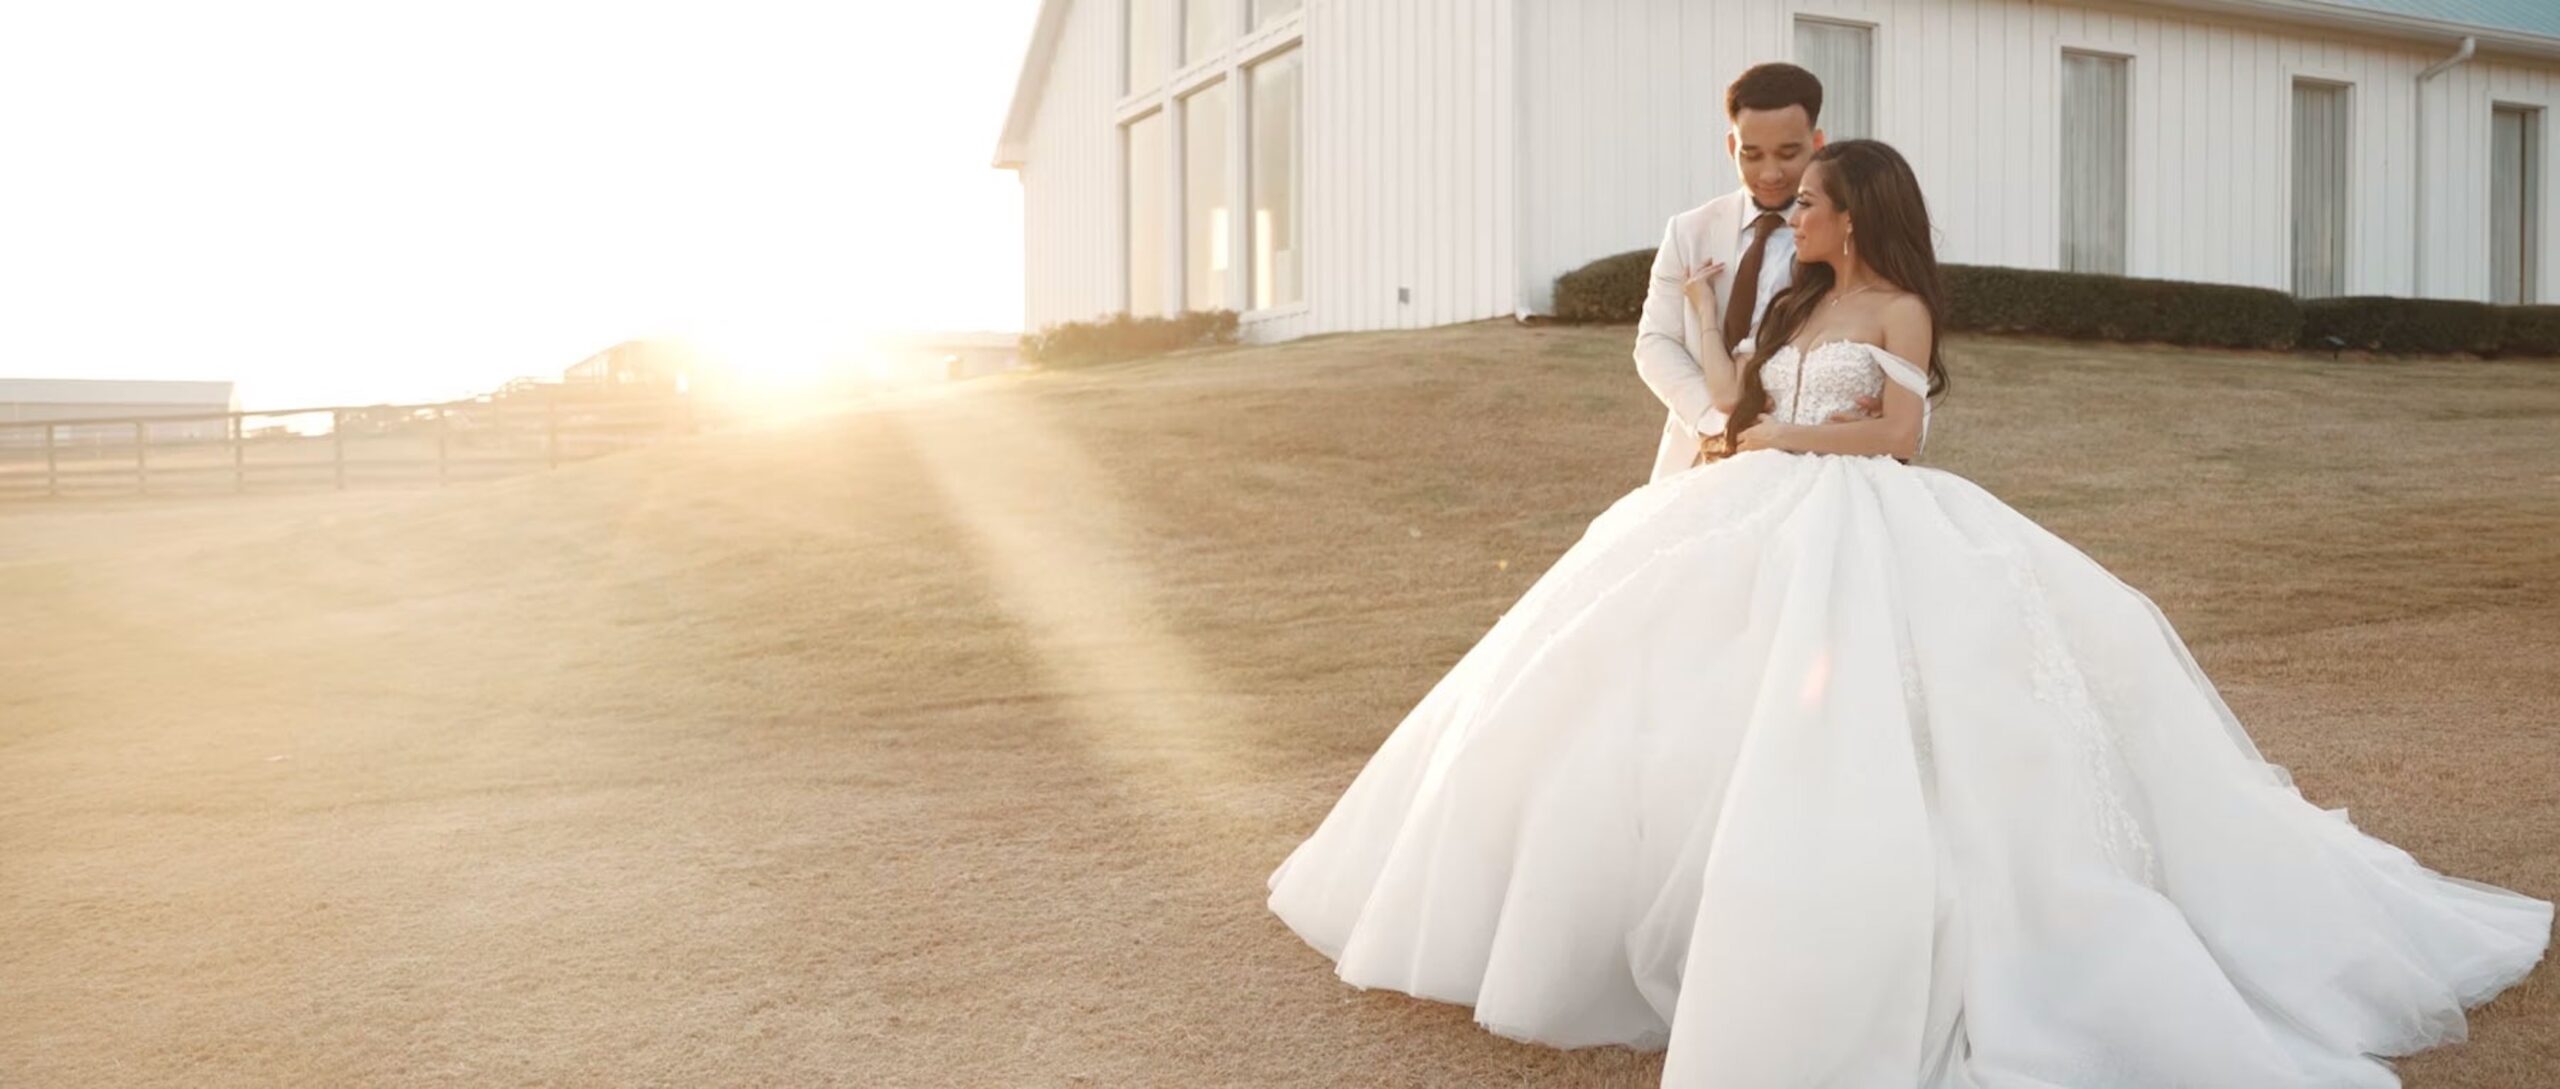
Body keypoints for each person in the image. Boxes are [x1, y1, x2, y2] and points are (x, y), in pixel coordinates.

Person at [1264, 138, 2551, 1089]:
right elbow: (1726, 396)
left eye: (1814, 195)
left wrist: (1772, 430)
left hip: (1853, 514)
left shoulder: (1894, 305)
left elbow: (1896, 431)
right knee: (1649, 700)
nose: (1796, 206)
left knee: (1877, 728)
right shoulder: (1797, 301)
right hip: (1745, 505)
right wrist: (1722, 369)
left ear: (1856, 210)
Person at [1635, 61, 1883, 484]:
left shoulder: (1851, 231)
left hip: (1814, 467)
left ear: (1817, 143)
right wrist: (1716, 425)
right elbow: (1656, 343)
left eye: (1788, 154)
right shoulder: (1688, 231)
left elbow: (1904, 336)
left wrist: (1890, 410)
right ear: (1732, 146)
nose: (1770, 174)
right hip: (1698, 459)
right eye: (1752, 155)